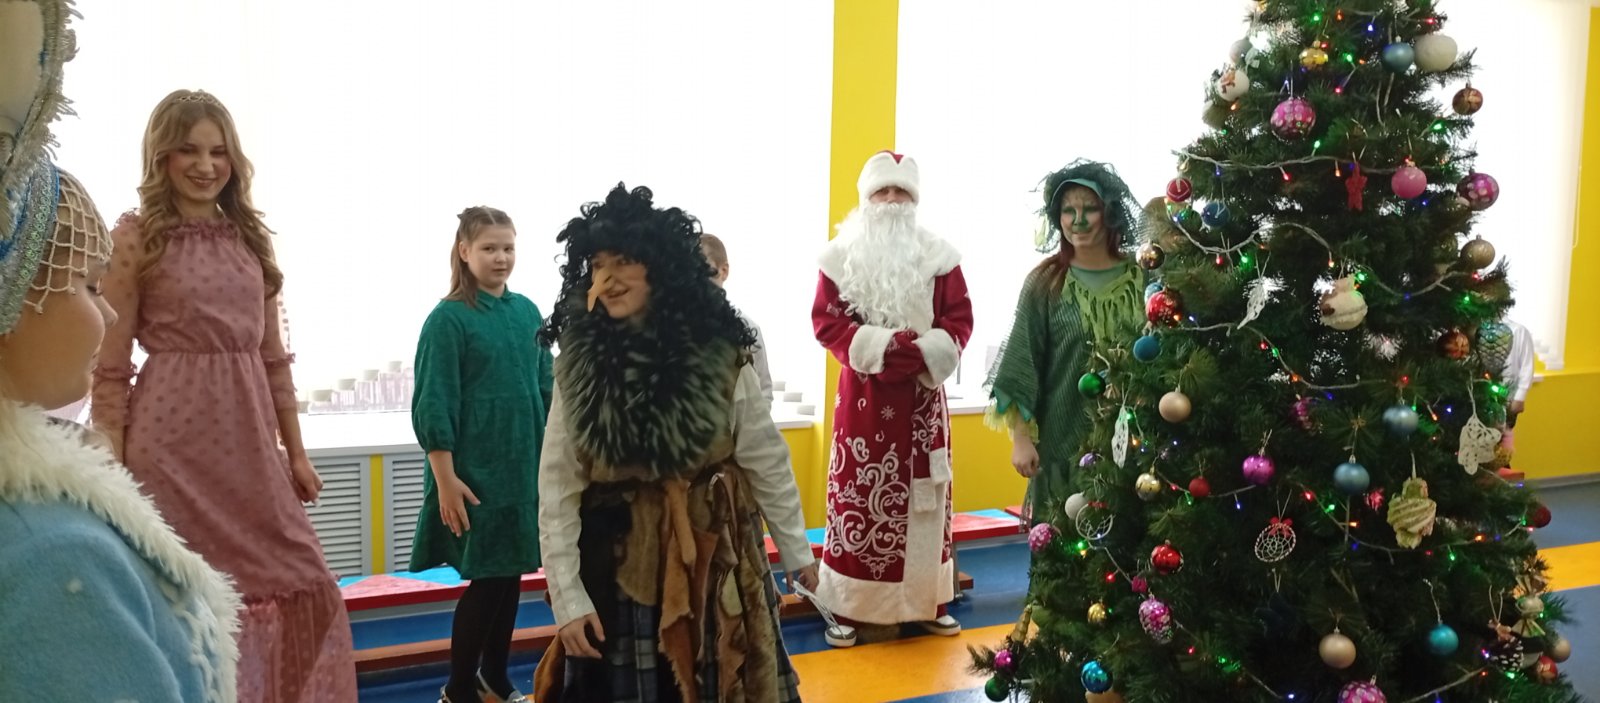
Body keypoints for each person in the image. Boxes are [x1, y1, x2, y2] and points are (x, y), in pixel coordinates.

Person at [1, 7, 239, 697]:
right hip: (172, 432)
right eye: (84, 283)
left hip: (240, 432)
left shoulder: (244, 238)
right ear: (14, 293)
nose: (103, 311)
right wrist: (114, 430)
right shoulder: (53, 553)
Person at [91, 89, 356, 701]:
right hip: (167, 450)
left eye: (218, 151)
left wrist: (296, 453)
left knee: (310, 586)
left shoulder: (250, 237)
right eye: (189, 150)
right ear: (161, 156)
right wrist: (112, 466)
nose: (206, 165)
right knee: (181, 602)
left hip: (249, 446)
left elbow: (274, 358)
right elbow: (111, 367)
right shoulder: (134, 237)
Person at [534, 184, 816, 702]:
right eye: (598, 265)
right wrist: (568, 598)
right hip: (620, 570)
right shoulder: (578, 368)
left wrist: (797, 550)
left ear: (661, 268)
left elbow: (765, 457)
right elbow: (557, 488)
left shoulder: (720, 353)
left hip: (715, 562)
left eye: (624, 261)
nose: (608, 278)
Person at [811, 150, 973, 647]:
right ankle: (855, 607)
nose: (892, 200)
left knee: (927, 502)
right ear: (867, 198)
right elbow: (828, 322)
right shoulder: (838, 257)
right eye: (882, 191)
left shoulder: (940, 256)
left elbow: (959, 321)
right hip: (864, 406)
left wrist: (918, 353)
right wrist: (884, 347)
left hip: (923, 404)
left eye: (902, 191)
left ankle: (928, 602)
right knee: (860, 503)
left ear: (914, 199)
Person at [410, 206, 552, 703]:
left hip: (522, 471)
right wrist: (445, 480)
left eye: (508, 248)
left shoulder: (527, 312)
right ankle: (458, 690)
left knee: (510, 577)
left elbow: (547, 389)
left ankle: (494, 678)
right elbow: (435, 402)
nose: (501, 257)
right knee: (489, 581)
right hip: (472, 476)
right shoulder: (447, 320)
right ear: (464, 251)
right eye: (490, 248)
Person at [985, 159, 1146, 522]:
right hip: (1061, 445)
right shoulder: (1045, 283)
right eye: (1068, 210)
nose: (1079, 220)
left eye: (1090, 209)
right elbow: (1022, 360)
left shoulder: (1144, 277)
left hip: (1136, 449)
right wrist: (1021, 438)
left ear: (1110, 213)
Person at [701, 233, 773, 400]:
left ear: (724, 271)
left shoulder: (747, 329)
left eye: (704, 269)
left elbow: (764, 393)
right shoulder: (676, 328)